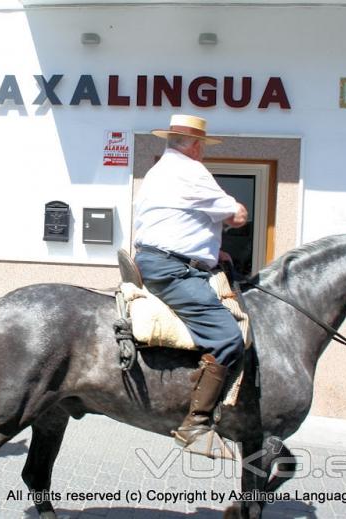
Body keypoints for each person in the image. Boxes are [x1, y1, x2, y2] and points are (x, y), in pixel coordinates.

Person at [133, 114, 248, 452]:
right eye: (204, 146)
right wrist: (237, 208)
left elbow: (177, 221)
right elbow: (237, 215)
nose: (204, 152)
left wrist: (211, 251)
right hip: (173, 269)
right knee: (229, 337)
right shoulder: (192, 171)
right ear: (196, 146)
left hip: (158, 260)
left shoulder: (158, 170)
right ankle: (196, 425)